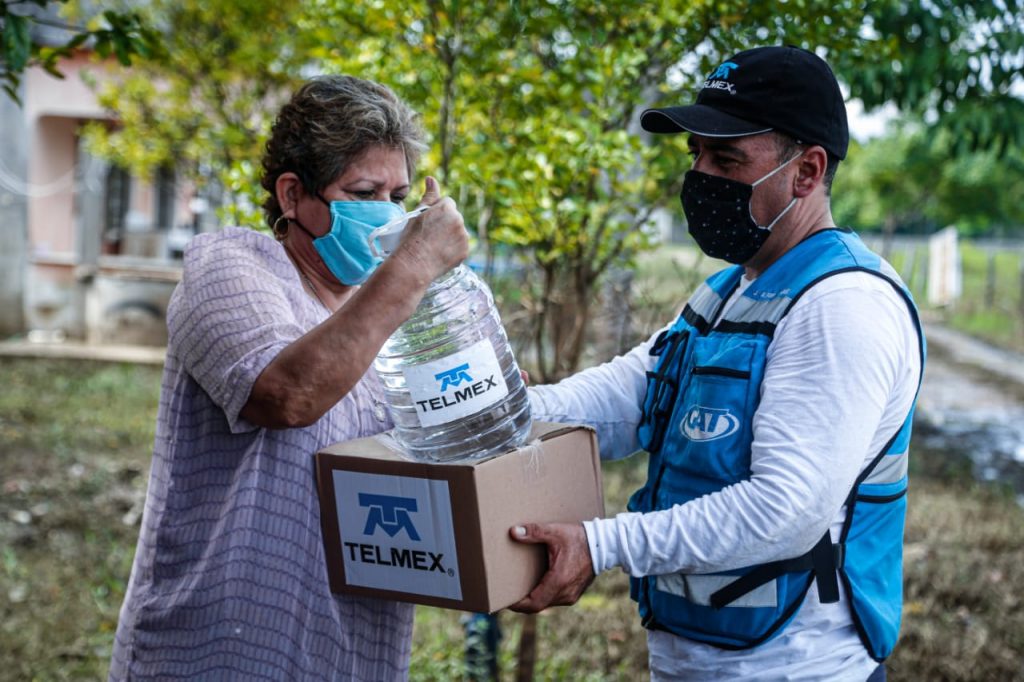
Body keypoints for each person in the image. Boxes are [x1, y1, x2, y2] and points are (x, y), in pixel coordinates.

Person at [511, 46, 925, 681]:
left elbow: (785, 510)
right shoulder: (731, 289)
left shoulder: (842, 305)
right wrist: (503, 413)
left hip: (798, 666)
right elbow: (626, 399)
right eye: (697, 155)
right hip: (698, 656)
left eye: (727, 159)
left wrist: (602, 544)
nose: (701, 175)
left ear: (808, 171)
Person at [109, 75, 469, 680]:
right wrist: (412, 267)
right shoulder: (229, 267)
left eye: (399, 194)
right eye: (363, 191)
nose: (388, 213)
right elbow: (287, 394)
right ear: (293, 194)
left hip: (352, 649)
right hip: (217, 651)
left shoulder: (396, 308)